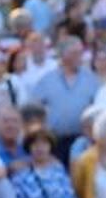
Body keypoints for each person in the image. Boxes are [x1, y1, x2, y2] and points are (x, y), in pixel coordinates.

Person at [30, 36, 101, 165]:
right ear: (63, 55)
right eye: (75, 53)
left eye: (81, 53)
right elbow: (34, 108)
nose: (80, 57)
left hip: (83, 141)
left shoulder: (91, 79)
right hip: (55, 141)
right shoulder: (47, 80)